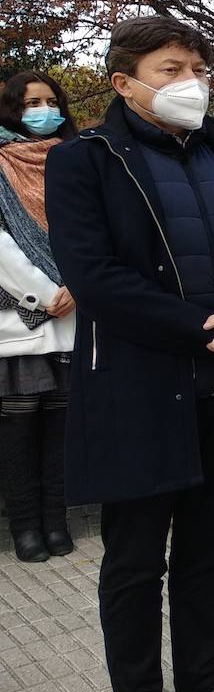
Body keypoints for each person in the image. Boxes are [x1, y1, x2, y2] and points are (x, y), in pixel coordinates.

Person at [46, 16, 214, 692]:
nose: (191, 82)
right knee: (134, 563)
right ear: (124, 83)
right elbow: (95, 277)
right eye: (171, 70)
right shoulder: (85, 160)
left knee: (211, 549)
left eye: (198, 69)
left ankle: (202, 690)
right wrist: (208, 330)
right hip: (141, 393)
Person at [0, 71, 78, 563]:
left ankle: (57, 518)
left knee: (61, 421)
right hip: (18, 311)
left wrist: (80, 285)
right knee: (19, 424)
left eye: (51, 101)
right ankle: (25, 526)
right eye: (32, 103)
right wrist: (46, 291)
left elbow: (94, 228)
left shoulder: (75, 159)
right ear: (12, 109)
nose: (43, 110)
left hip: (75, 308)